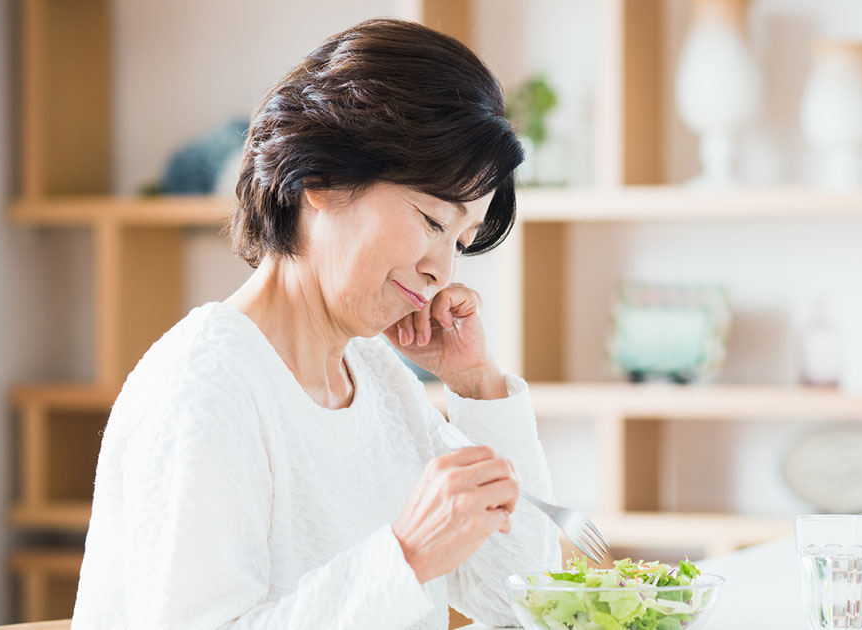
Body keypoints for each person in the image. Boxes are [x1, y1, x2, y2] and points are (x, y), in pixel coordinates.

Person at [71, 18, 561, 629]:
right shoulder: (204, 385)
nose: (442, 269)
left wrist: (478, 387)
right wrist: (406, 558)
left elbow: (523, 595)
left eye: (460, 241)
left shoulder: (377, 377)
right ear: (322, 179)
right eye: (433, 222)